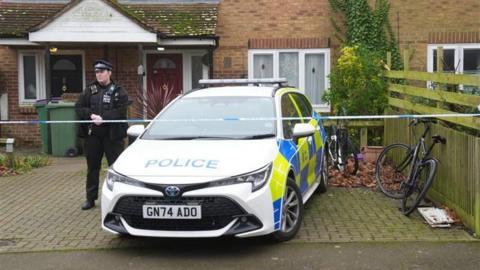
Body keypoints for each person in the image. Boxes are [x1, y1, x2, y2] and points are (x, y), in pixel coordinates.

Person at [75, 59, 129, 210]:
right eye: (97, 72)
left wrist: (103, 119)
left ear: (109, 73)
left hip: (113, 136)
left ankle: (118, 199)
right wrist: (91, 116)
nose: (99, 74)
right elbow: (79, 107)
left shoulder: (119, 91)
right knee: (92, 167)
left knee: (115, 168)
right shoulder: (89, 90)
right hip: (93, 136)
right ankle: (90, 199)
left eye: (102, 71)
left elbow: (121, 111)